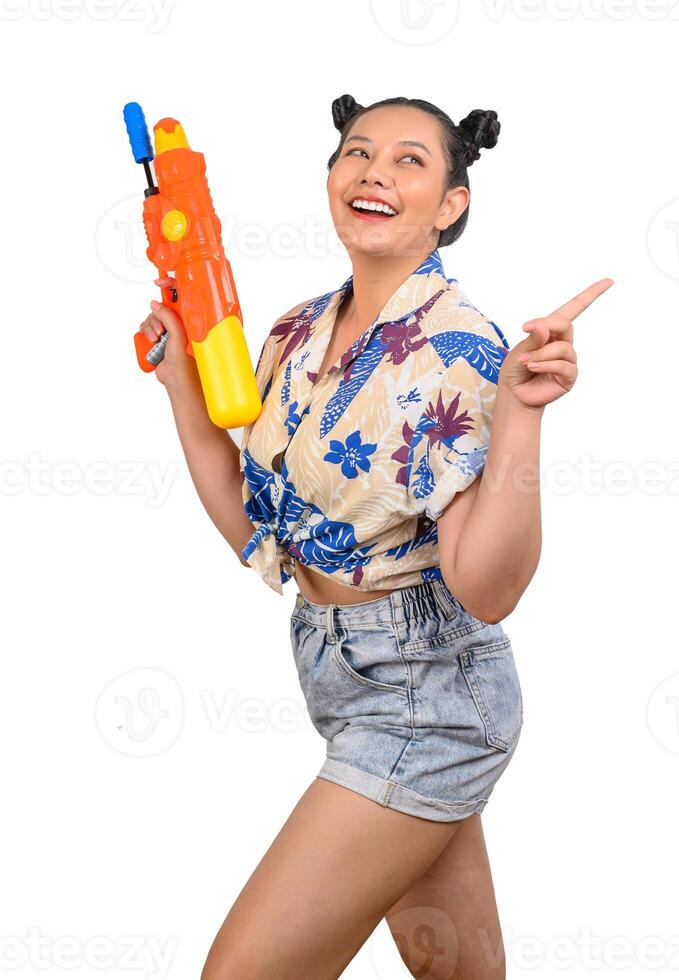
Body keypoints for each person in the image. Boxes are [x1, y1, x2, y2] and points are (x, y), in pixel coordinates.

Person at [138, 94, 612, 979]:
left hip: (428, 698)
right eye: (356, 152)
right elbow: (259, 530)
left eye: (409, 161)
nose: (373, 173)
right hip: (341, 676)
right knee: (458, 970)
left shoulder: (465, 350)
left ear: (450, 204)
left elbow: (488, 587)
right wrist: (177, 386)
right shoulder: (294, 332)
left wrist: (521, 412)